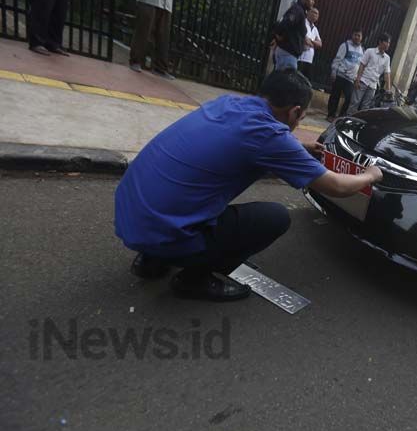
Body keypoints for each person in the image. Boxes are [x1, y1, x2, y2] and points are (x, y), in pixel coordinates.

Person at [114, 71, 383, 302]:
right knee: (274, 217)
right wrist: (371, 174)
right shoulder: (269, 135)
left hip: (130, 214)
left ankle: (151, 261)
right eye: (300, 119)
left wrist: (298, 149)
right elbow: (336, 185)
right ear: (295, 112)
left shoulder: (227, 103)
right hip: (164, 231)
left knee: (184, 189)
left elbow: (238, 143)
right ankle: (194, 278)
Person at [129, 0, 180, 79]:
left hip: (166, 5)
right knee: (143, 33)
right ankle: (136, 61)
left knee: (163, 37)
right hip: (149, 0)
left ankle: (160, 68)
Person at [271, 0, 315, 72]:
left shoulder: (298, 11)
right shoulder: (297, 11)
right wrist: (278, 37)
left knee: (278, 83)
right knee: (285, 84)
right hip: (288, 56)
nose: (313, 2)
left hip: (287, 55)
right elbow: (283, 24)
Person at [347, 33, 392, 115]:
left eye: (389, 43)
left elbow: (387, 73)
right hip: (363, 81)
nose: (388, 44)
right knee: (354, 103)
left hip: (373, 85)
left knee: (366, 107)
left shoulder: (387, 58)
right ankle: (348, 120)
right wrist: (357, 79)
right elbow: (362, 65)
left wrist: (388, 90)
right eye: (387, 42)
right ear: (380, 42)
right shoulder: (370, 51)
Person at [327, 28, 364, 121]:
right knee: (335, 96)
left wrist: (358, 78)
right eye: (355, 35)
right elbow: (338, 59)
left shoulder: (362, 50)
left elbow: (360, 65)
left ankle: (341, 117)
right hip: (341, 75)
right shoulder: (345, 45)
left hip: (351, 79)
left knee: (349, 98)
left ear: (361, 37)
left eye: (359, 35)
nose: (357, 37)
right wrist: (334, 71)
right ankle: (331, 115)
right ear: (352, 35)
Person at [297, 7, 322, 82]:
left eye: (317, 14)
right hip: (300, 58)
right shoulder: (303, 23)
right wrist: (313, 42)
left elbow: (320, 44)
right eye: (313, 12)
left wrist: (311, 41)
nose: (315, 15)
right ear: (307, 13)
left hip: (309, 60)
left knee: (305, 81)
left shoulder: (315, 29)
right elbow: (304, 39)